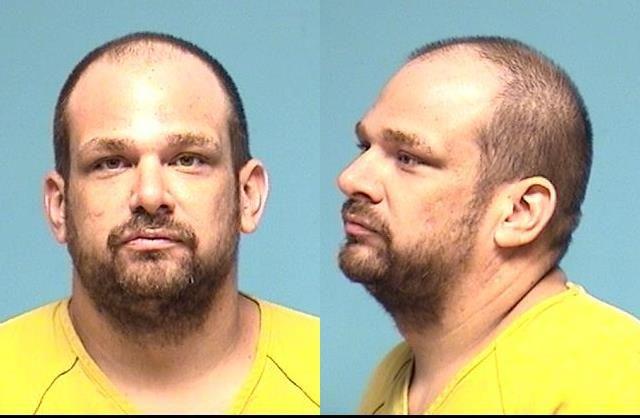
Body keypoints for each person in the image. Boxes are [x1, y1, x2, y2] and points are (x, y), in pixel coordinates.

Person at [0, 32, 319, 414]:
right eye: (111, 163)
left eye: (188, 160)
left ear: (248, 195)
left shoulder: (319, 371)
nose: (150, 196)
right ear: (59, 206)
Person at [337, 36, 640, 414]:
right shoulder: (392, 375)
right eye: (365, 147)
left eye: (408, 158)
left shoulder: (614, 377)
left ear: (520, 212)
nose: (351, 178)